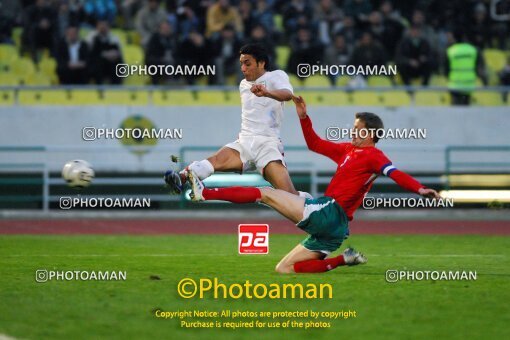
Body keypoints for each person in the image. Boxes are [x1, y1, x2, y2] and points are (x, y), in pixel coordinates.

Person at [183, 95, 440, 274]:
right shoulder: (348, 151)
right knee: (284, 269)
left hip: (329, 212)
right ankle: (343, 259)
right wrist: (304, 117)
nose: (352, 132)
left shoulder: (374, 156)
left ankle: (205, 193)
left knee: (266, 193)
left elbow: (395, 174)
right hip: (336, 229)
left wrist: (419, 189)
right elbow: (315, 144)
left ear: (371, 133)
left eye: (357, 129)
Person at [165, 43, 308, 198]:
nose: (243, 68)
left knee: (290, 197)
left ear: (261, 63)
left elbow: (287, 95)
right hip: (245, 142)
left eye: (248, 64)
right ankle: (182, 177)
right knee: (215, 160)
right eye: (241, 64)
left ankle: (308, 204)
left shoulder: (277, 75)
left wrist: (267, 93)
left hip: (267, 145)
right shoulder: (243, 85)